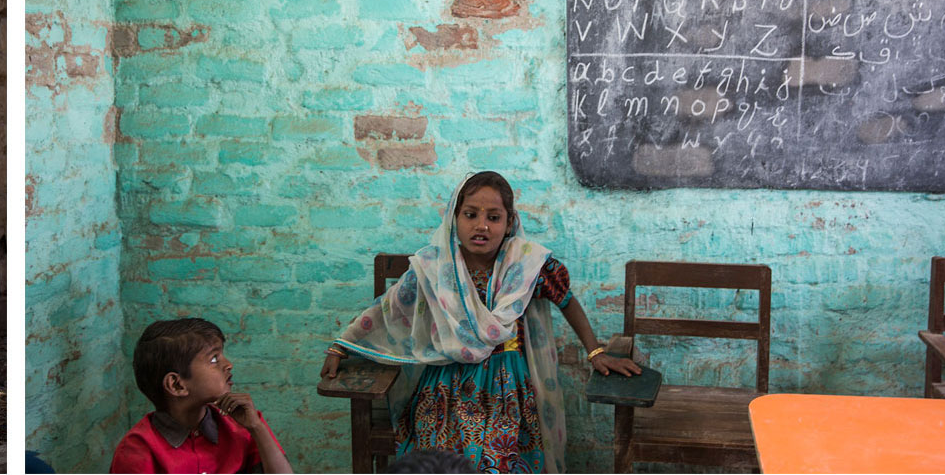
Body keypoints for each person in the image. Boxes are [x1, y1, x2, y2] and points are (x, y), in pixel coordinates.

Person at [322, 171, 642, 473]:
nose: (482, 226)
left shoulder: (525, 264)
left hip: (507, 388)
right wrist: (342, 346)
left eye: (494, 217)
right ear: (454, 218)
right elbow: (387, 309)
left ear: (509, 221)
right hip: (444, 386)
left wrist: (595, 352)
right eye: (471, 214)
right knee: (441, 460)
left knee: (501, 457)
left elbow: (567, 301)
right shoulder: (435, 267)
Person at [110, 318, 293, 474]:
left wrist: (257, 428)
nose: (228, 364)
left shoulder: (243, 424)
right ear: (177, 384)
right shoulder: (137, 450)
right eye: (214, 359)